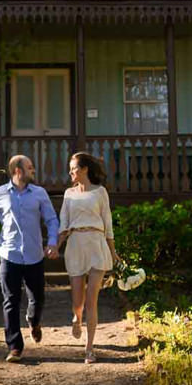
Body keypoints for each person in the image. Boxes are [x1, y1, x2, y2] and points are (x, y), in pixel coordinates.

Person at [0, 154, 60, 362]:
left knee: (37, 298)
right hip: (9, 255)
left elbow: (51, 219)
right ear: (18, 171)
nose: (34, 170)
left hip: (34, 256)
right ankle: (14, 346)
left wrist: (52, 242)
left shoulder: (39, 194)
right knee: (10, 301)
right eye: (30, 167)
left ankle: (33, 320)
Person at [57, 151, 121, 364]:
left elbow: (108, 224)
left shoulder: (100, 192)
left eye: (74, 168)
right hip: (75, 244)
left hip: (96, 244)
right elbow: (63, 225)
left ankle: (89, 349)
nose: (70, 172)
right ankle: (77, 317)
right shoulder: (68, 194)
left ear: (84, 169)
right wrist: (55, 246)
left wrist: (113, 252)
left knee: (92, 299)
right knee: (78, 301)